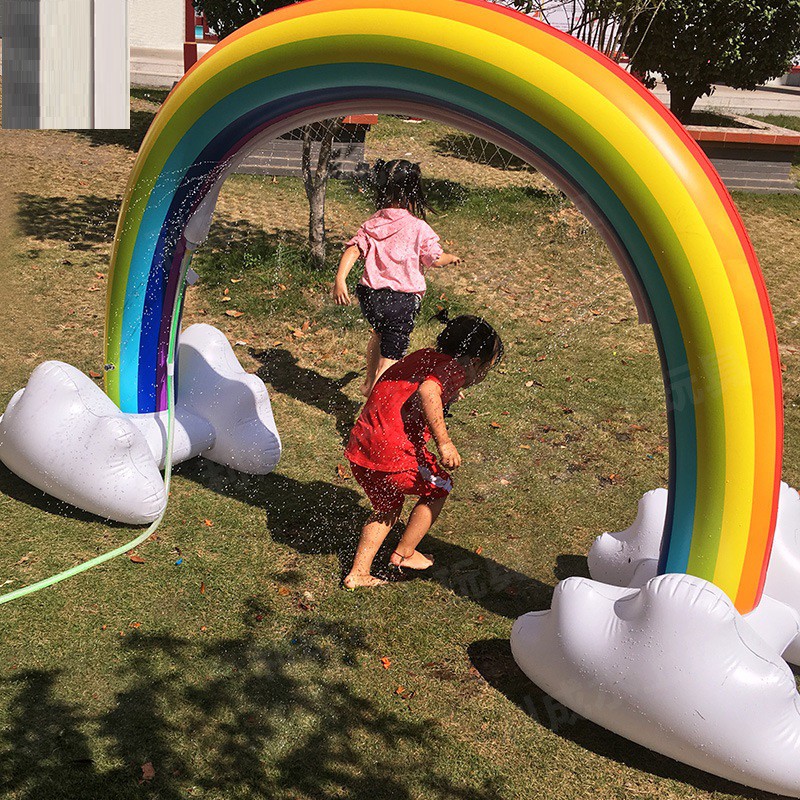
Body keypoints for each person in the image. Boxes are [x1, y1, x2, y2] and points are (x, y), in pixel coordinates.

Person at [342, 312, 504, 589]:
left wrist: (448, 390)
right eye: (485, 369)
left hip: (361, 445)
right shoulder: (453, 369)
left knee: (388, 505)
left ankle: (358, 573)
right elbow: (429, 390)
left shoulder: (425, 356)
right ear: (475, 362)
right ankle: (404, 553)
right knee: (440, 487)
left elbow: (416, 383)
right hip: (393, 452)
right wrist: (444, 442)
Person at [332, 159, 462, 397]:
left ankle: (369, 382)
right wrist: (449, 257)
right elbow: (434, 258)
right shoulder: (418, 227)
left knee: (379, 333)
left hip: (370, 296)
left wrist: (340, 280)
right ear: (414, 191)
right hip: (401, 301)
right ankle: (376, 404)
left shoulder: (374, 222)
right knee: (390, 359)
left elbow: (353, 250)